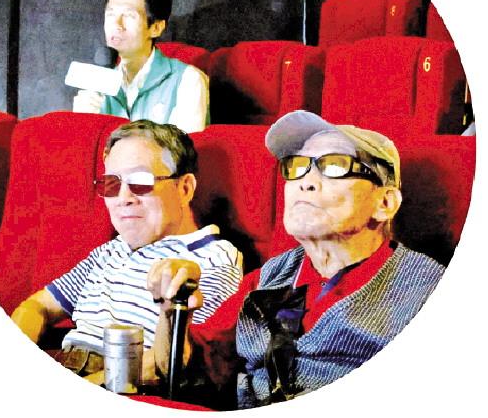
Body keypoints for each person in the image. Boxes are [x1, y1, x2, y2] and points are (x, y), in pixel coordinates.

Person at [147, 110, 445, 409]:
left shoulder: (427, 291)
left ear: (385, 203)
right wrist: (173, 310)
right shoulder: (270, 276)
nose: (305, 182)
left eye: (335, 166)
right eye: (298, 167)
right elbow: (187, 370)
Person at [10, 120, 242, 379]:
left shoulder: (213, 258)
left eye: (141, 182)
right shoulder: (109, 251)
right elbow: (37, 306)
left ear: (184, 188)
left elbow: (182, 355)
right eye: (112, 184)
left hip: (123, 380)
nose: (123, 198)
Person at [73, 0, 209, 133]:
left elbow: (188, 147)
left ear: (156, 28)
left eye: (129, 16)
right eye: (110, 14)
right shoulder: (98, 84)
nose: (116, 24)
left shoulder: (188, 80)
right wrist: (83, 123)